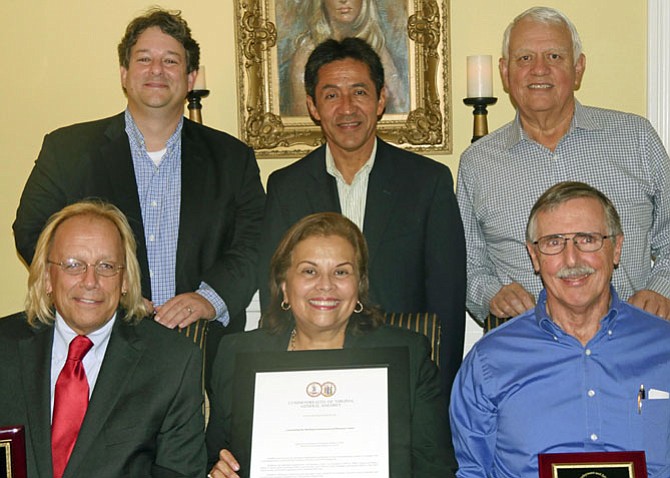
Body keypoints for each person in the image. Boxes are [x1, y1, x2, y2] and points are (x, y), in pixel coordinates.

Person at [12, 7, 266, 382]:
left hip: (202, 349)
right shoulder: (67, 150)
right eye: (144, 59)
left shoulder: (233, 158)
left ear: (190, 76)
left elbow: (255, 241)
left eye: (170, 61)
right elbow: (33, 230)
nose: (156, 70)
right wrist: (101, 292)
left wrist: (209, 299)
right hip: (97, 343)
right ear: (124, 74)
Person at [259, 37, 466, 396]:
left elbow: (446, 301)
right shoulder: (285, 187)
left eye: (359, 92)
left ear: (381, 98)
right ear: (312, 106)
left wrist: (439, 390)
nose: (347, 108)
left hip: (404, 373)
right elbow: (276, 296)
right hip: (312, 378)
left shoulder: (427, 183)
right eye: (331, 95)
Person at [457, 6, 670, 326]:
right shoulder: (477, 163)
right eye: (524, 58)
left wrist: (660, 290)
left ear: (579, 67)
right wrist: (492, 294)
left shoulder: (636, 138)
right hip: (530, 346)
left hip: (629, 337)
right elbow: (466, 266)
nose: (538, 69)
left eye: (554, 56)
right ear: (504, 72)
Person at [208, 212, 454, 477]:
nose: (325, 285)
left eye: (341, 272)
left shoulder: (409, 355)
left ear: (359, 286)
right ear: (284, 287)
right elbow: (212, 456)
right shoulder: (236, 355)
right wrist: (217, 472)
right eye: (309, 271)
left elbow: (435, 469)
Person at [450, 182, 670, 478]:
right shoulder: (489, 362)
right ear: (534, 256)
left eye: (588, 239)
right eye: (554, 242)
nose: (572, 259)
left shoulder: (663, 346)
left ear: (616, 248)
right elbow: (472, 471)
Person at [0, 201, 206, 477]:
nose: (90, 281)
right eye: (73, 265)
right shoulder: (4, 349)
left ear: (125, 281)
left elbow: (178, 472)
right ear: (48, 277)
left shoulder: (173, 363)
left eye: (106, 266)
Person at [286, 0, 408, 115]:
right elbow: (303, 119)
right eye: (331, 95)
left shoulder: (378, 48)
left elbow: (400, 106)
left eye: (359, 92)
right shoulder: (306, 54)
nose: (343, 0)